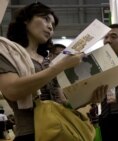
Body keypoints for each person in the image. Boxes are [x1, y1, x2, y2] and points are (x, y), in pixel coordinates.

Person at [0, 2, 107, 141]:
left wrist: (90, 98)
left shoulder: (47, 61)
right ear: (26, 19)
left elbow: (62, 101)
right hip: (31, 133)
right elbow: (12, 90)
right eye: (45, 19)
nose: (50, 27)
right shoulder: (9, 53)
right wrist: (59, 67)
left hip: (62, 131)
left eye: (53, 25)